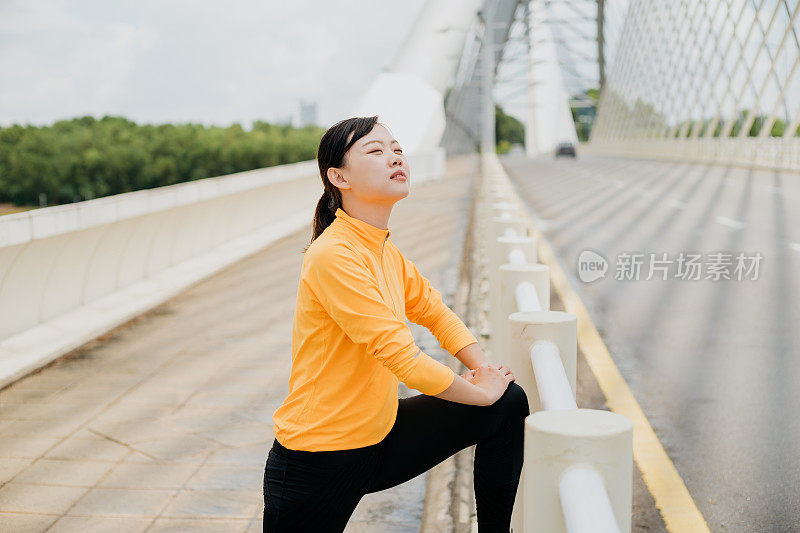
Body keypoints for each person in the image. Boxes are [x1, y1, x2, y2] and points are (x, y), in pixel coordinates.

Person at [263, 116, 530, 532]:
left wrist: (484, 372)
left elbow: (433, 311)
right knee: (492, 400)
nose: (395, 157)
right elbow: (402, 358)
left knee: (508, 403)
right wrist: (479, 394)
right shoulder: (333, 254)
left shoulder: (385, 250)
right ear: (338, 177)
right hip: (317, 458)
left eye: (398, 149)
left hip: (380, 437)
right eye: (376, 150)